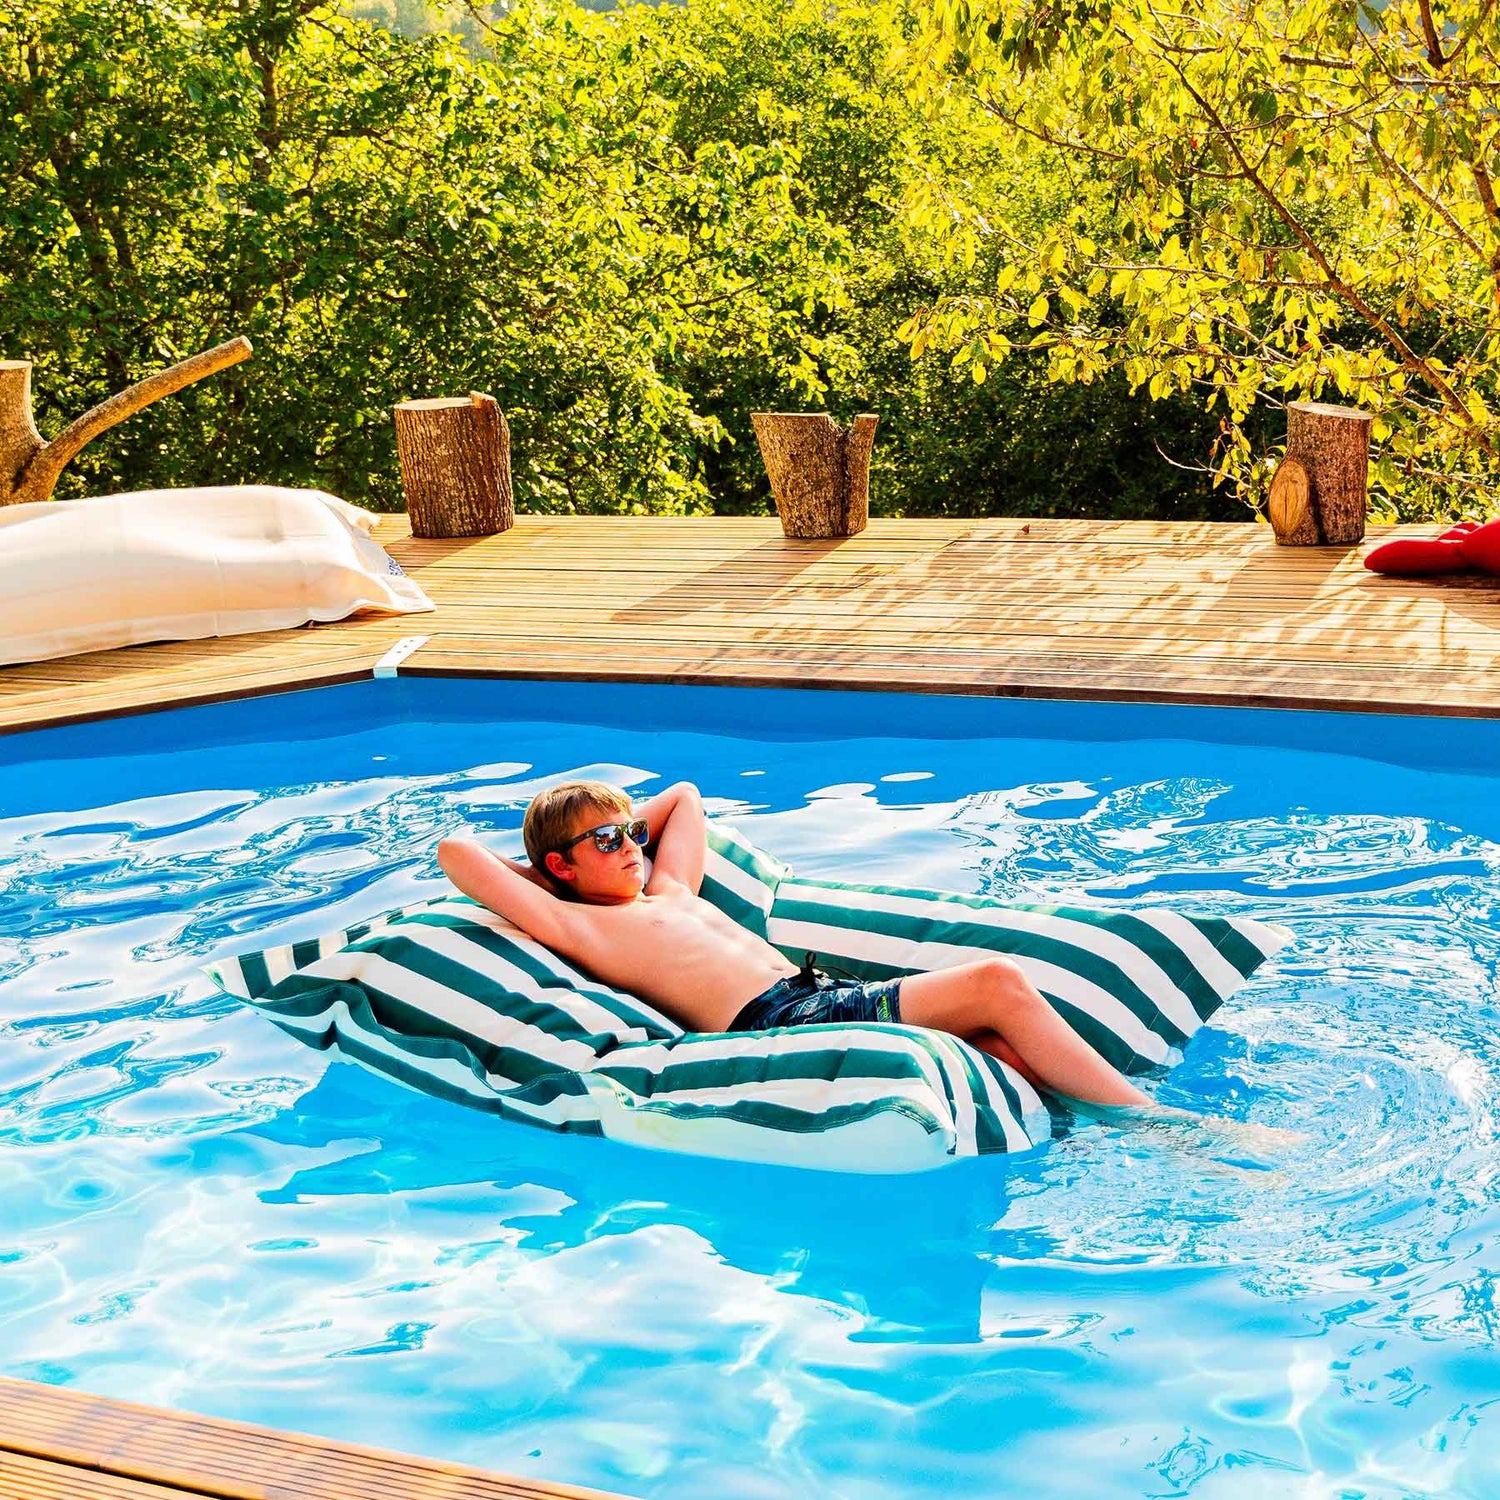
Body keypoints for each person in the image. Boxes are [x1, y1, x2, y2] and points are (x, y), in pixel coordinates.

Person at [436, 777, 1157, 1113]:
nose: (629, 846)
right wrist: (548, 873)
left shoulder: (669, 894)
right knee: (996, 982)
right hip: (782, 1022)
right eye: (605, 841)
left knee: (1002, 1054)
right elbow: (456, 851)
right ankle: (1157, 1124)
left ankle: (1111, 1128)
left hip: (821, 994)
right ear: (558, 867)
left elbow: (684, 796)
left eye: (631, 834)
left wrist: (605, 829)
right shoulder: (579, 923)